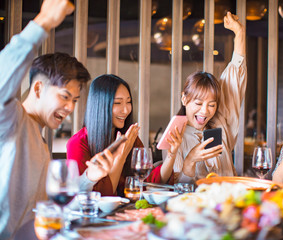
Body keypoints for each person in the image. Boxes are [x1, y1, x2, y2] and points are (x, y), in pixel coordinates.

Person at [0, 0, 116, 239]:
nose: (71, 107)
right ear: (39, 88)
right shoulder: (11, 120)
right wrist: (42, 23)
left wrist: (88, 179)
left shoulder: (40, 142)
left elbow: (52, 211)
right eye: (65, 96)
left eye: (74, 99)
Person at [159, 12, 247, 183]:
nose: (205, 111)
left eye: (212, 104)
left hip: (228, 203)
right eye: (198, 103)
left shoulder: (221, 124)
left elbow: (235, 77)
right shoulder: (174, 136)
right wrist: (190, 160)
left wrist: (239, 34)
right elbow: (176, 188)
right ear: (184, 99)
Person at [66, 74, 183, 195]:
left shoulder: (128, 136)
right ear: (100, 106)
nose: (126, 110)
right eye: (118, 103)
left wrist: (171, 154)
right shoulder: (78, 143)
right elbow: (101, 197)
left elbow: (149, 182)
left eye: (128, 102)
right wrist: (121, 156)